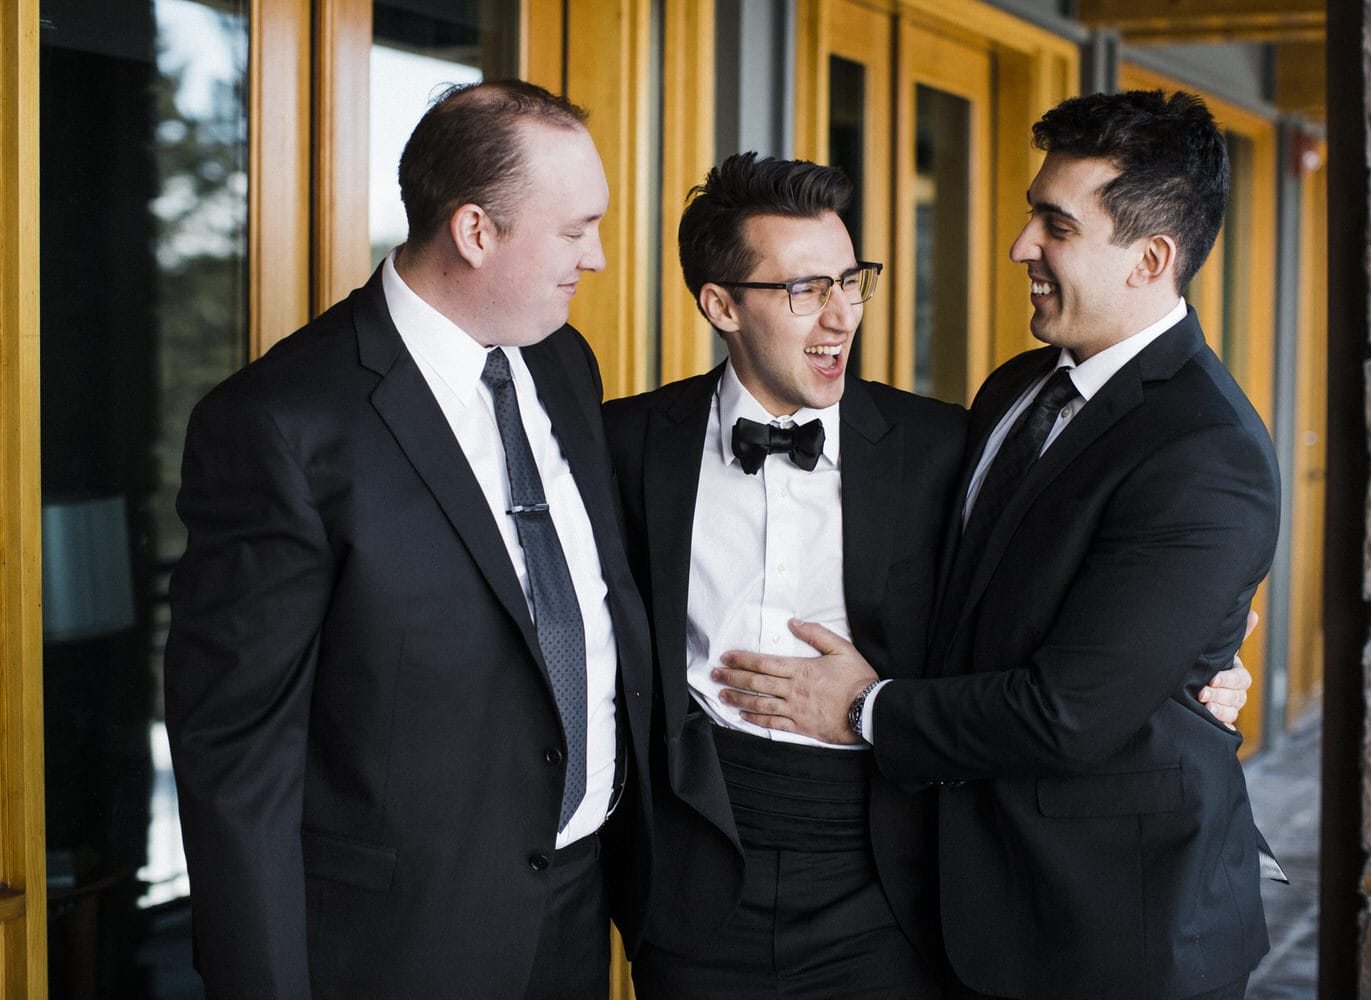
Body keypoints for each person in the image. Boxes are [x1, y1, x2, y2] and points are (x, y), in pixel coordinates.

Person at [606, 151, 1254, 998]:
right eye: (806, 290)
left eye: (852, 281)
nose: (841, 315)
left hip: (892, 876)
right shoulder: (622, 445)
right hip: (696, 868)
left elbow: (1060, 602)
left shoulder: (945, 444)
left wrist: (1195, 665)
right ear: (721, 304)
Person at [164, 80, 653, 999]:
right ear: (476, 232)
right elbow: (237, 754)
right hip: (397, 944)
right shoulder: (280, 424)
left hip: (578, 910)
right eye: (575, 228)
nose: (596, 258)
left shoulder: (564, 361)